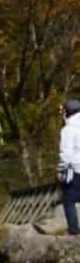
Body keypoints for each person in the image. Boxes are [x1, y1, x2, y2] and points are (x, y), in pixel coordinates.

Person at [57, 98, 80, 237]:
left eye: (63, 111)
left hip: (77, 170)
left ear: (67, 112)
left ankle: (73, 232)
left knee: (68, 200)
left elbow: (66, 154)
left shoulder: (68, 130)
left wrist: (60, 170)